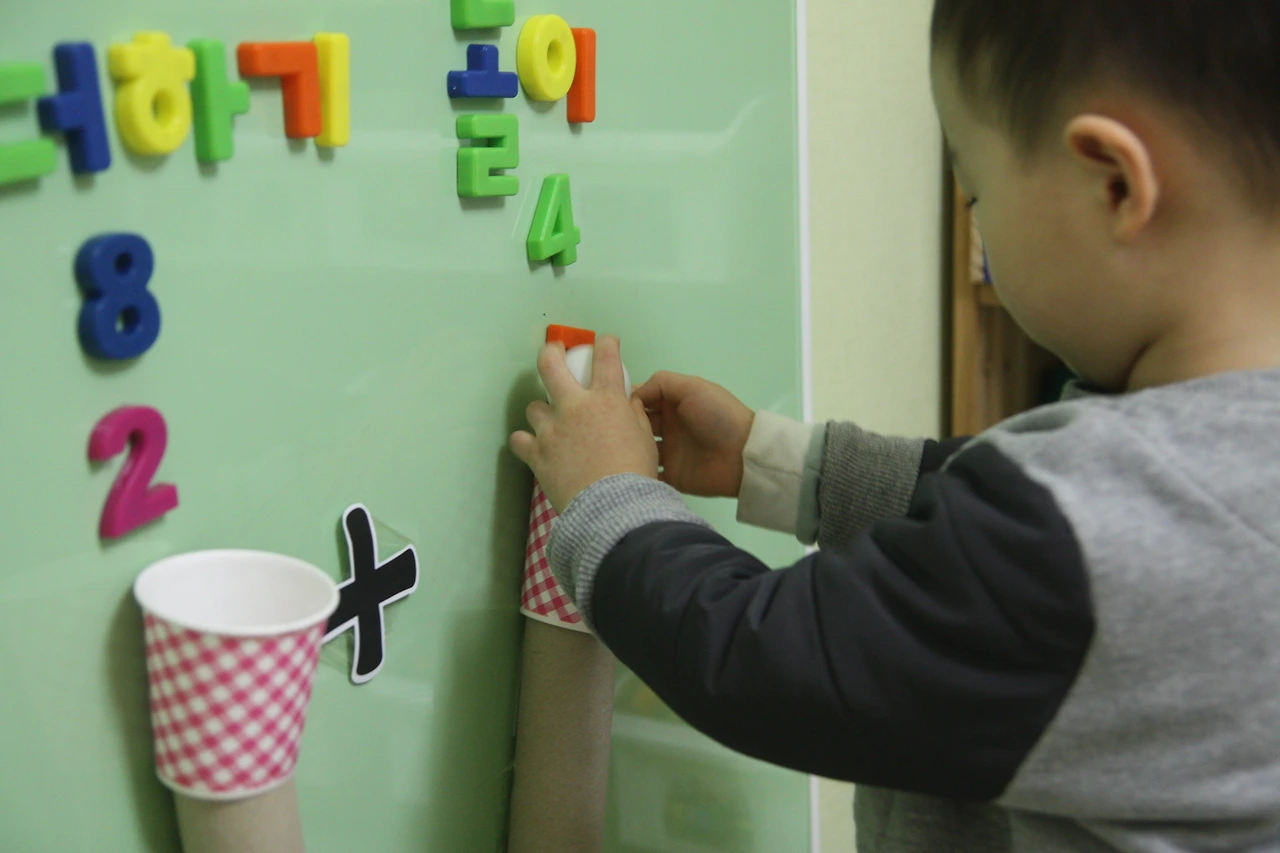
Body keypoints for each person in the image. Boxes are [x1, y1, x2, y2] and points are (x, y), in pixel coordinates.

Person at [509, 1, 1280, 850]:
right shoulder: (1206, 465)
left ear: (1115, 184)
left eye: (977, 191)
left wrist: (610, 499)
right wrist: (773, 461)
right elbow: (991, 509)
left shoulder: (1085, 539)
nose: (978, 221)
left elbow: (765, 661)